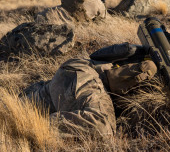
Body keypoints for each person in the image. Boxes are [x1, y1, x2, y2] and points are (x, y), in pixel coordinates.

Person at [23, 57, 157, 137]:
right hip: (88, 85)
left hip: (75, 67)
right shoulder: (99, 96)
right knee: (104, 126)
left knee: (24, 104)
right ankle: (37, 125)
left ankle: (21, 105)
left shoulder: (122, 57)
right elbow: (102, 126)